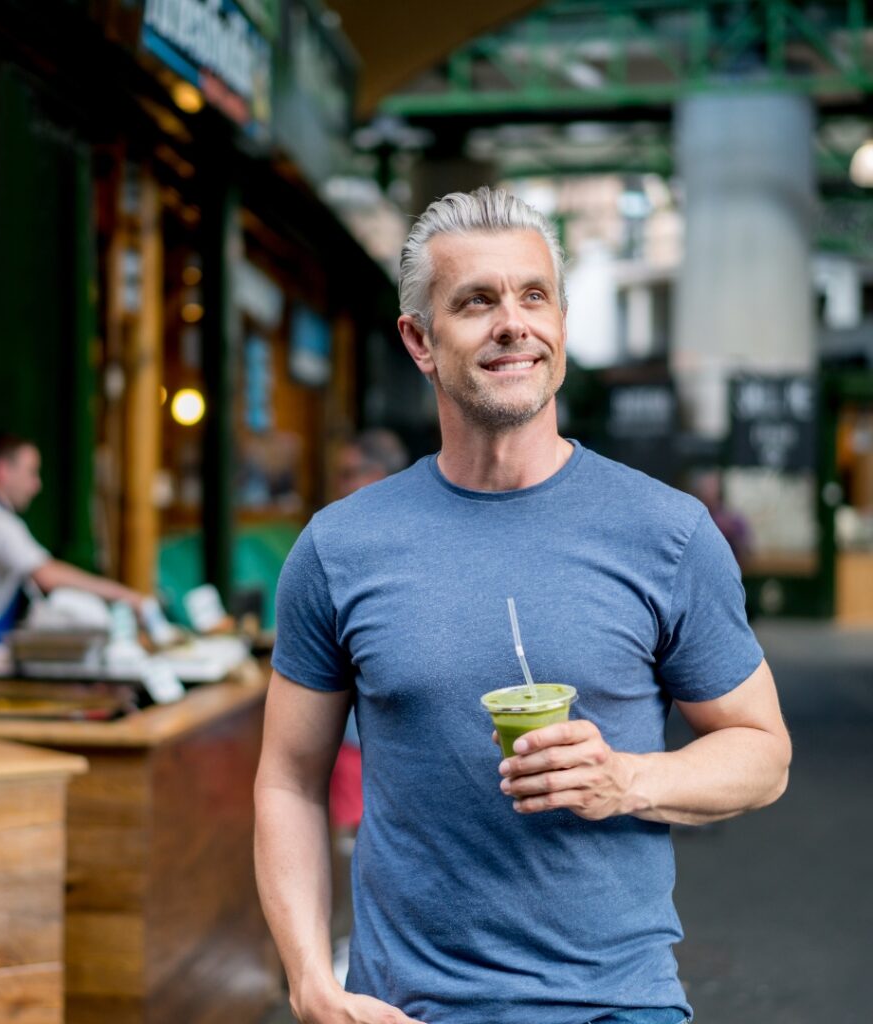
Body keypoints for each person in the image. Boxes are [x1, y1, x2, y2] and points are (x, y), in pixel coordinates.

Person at [254, 186, 792, 1024]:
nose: (513, 323)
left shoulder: (667, 533)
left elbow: (763, 752)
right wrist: (311, 984)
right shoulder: (340, 548)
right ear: (420, 341)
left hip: (617, 1004)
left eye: (534, 296)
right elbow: (290, 779)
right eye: (475, 301)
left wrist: (627, 779)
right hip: (409, 1007)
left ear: (563, 328)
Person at [0, 432, 148, 644]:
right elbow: (47, 575)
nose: (36, 486)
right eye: (31, 473)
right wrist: (129, 597)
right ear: (2, 470)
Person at [328, 429, 410, 835]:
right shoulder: (337, 540)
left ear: (374, 475)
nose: (340, 485)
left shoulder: (370, 544)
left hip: (380, 738)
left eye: (348, 473)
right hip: (360, 735)